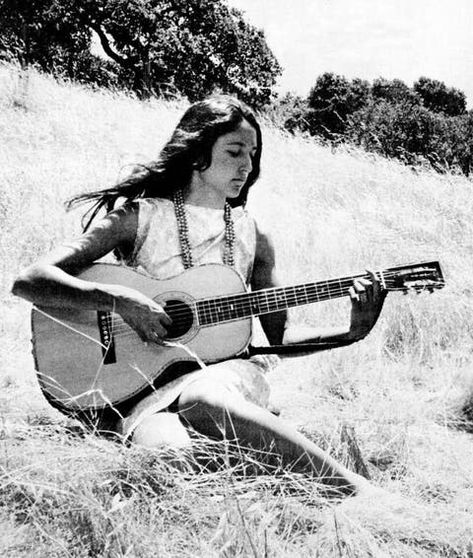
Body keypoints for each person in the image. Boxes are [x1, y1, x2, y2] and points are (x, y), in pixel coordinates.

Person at [12, 96, 386, 496]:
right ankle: (249, 447)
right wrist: (119, 300)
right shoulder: (141, 218)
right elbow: (31, 280)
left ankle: (355, 491)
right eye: (234, 151)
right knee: (167, 459)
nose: (247, 166)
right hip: (144, 385)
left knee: (203, 396)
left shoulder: (253, 237)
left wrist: (351, 332)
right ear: (195, 155)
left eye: (253, 154)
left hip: (226, 376)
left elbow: (277, 340)